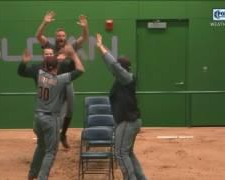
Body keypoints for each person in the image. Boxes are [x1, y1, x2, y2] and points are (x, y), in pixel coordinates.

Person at [22, 48, 84, 180]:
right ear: (57, 67)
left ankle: (32, 173)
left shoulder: (40, 75)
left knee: (41, 146)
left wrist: (24, 63)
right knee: (51, 152)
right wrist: (73, 55)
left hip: (38, 118)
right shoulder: (60, 79)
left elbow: (25, 71)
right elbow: (80, 70)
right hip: (50, 119)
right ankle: (42, 177)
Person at [96, 33, 147, 180]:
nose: (115, 69)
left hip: (128, 121)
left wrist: (100, 48)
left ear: (122, 68)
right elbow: (113, 65)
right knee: (128, 153)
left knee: (120, 153)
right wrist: (102, 46)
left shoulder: (126, 78)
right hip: (127, 121)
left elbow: (113, 65)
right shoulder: (123, 79)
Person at [35, 10, 89, 148]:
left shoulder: (70, 47)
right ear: (55, 37)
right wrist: (44, 23)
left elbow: (84, 38)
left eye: (63, 35)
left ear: (66, 37)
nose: (61, 37)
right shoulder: (50, 46)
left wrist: (84, 27)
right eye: (58, 35)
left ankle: (63, 134)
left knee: (70, 110)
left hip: (67, 82)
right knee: (55, 111)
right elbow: (38, 35)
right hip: (52, 83)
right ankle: (48, 135)